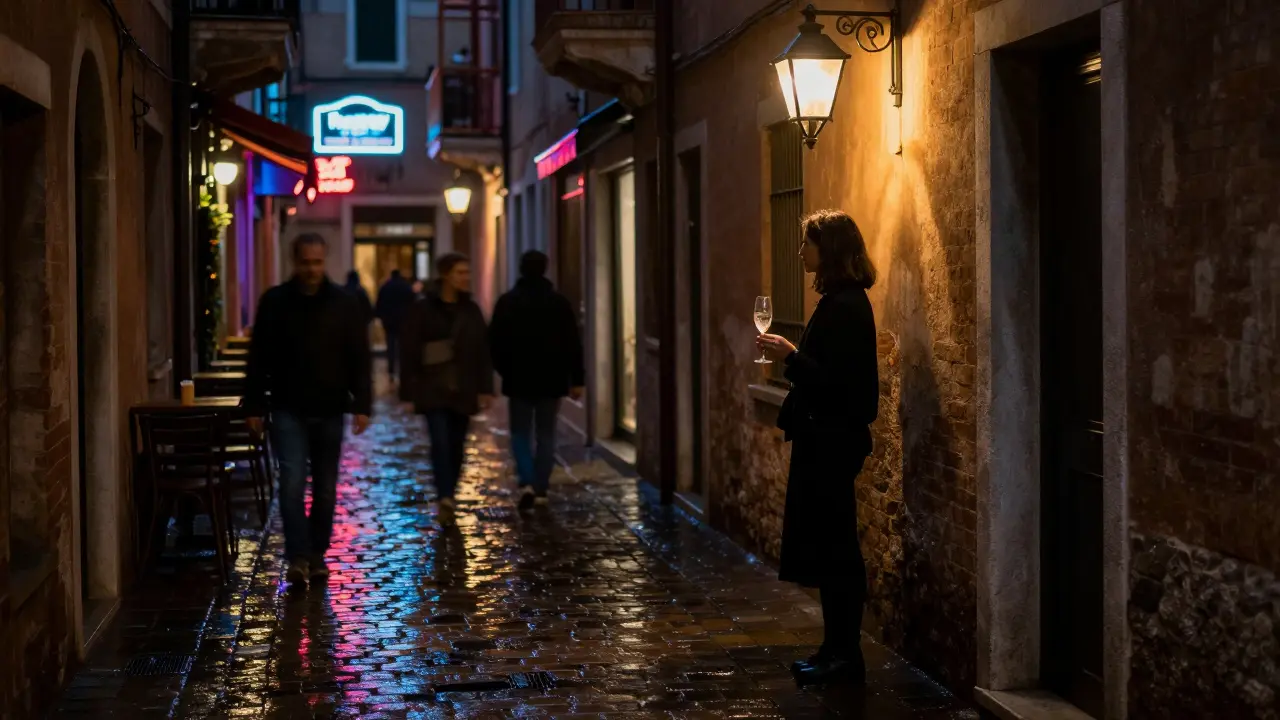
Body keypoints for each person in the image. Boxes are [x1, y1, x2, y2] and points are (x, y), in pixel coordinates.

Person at [755, 209, 879, 687]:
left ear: (828, 249)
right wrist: (795, 355)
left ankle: (845, 656)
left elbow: (846, 388)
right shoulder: (838, 301)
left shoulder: (847, 306)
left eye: (807, 243)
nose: (800, 252)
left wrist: (791, 357)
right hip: (823, 441)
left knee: (839, 552)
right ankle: (834, 650)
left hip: (832, 443)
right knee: (831, 550)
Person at [244, 233, 373, 587]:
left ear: (325, 261)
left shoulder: (345, 304)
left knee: (327, 489)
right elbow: (258, 358)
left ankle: (317, 554)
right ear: (294, 261)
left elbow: (359, 357)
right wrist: (254, 404)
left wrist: (362, 403)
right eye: (306, 262)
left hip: (330, 408)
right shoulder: (275, 302)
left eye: (317, 262)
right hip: (287, 407)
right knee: (291, 484)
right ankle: (298, 556)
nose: (312, 269)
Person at [399, 253, 493, 523]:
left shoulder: (471, 309)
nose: (466, 277)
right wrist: (408, 392)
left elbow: (482, 351)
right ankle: (444, 497)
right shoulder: (423, 308)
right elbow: (410, 350)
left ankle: (448, 491)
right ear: (445, 276)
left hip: (463, 387)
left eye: (467, 272)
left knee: (456, 443)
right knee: (439, 441)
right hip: (433, 387)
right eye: (460, 272)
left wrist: (485, 388)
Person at [489, 250, 584, 510]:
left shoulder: (507, 302)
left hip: (518, 379)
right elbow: (573, 344)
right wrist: (577, 379)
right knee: (546, 433)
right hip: (551, 379)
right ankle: (541, 486)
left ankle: (527, 480)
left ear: (521, 269)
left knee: (520, 432)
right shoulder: (559, 304)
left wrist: (503, 370)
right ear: (545, 269)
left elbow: (494, 342)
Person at [375, 269, 415, 383]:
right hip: (404, 321)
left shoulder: (385, 287)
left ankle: (391, 370)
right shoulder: (406, 287)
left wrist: (380, 316)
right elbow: (413, 303)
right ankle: (402, 370)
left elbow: (379, 303)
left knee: (391, 346)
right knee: (403, 347)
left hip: (389, 321)